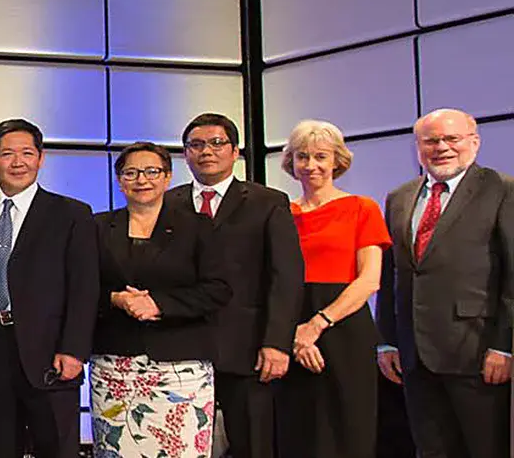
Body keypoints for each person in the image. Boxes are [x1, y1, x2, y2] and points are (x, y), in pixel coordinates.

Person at [0, 119, 97, 458]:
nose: (18, 162)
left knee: (56, 446)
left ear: (41, 158)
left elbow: (84, 288)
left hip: (50, 350)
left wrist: (74, 349)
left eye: (27, 153)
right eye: (7, 154)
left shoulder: (71, 213)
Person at [378, 109, 512, 458]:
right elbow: (391, 274)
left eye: (451, 139)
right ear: (418, 147)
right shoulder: (399, 197)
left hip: (477, 351)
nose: (441, 148)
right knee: (431, 450)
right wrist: (387, 341)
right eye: (431, 140)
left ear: (474, 142)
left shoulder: (503, 189)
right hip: (414, 354)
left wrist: (505, 346)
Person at [164, 113, 300, 458]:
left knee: (252, 445)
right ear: (185, 154)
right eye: (196, 145)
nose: (206, 152)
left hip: (248, 348)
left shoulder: (268, 202)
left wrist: (277, 343)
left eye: (216, 143)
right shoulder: (167, 203)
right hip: (181, 350)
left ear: (235, 151)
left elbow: (285, 277)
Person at [89, 142, 230, 457]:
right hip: (114, 366)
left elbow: (218, 288)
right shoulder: (96, 227)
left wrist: (159, 304)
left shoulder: (198, 227)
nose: (142, 180)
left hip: (181, 367)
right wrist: (115, 299)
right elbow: (79, 288)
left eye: (152, 171)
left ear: (168, 178)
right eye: (131, 173)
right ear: (119, 180)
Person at [278, 120, 387, 458]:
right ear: (291, 163)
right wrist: (294, 334)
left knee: (348, 428)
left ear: (337, 161)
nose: (311, 166)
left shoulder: (362, 208)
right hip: (290, 327)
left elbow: (370, 280)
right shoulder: (280, 212)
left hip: (344, 326)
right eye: (303, 157)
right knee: (297, 428)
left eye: (321, 157)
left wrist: (316, 325)